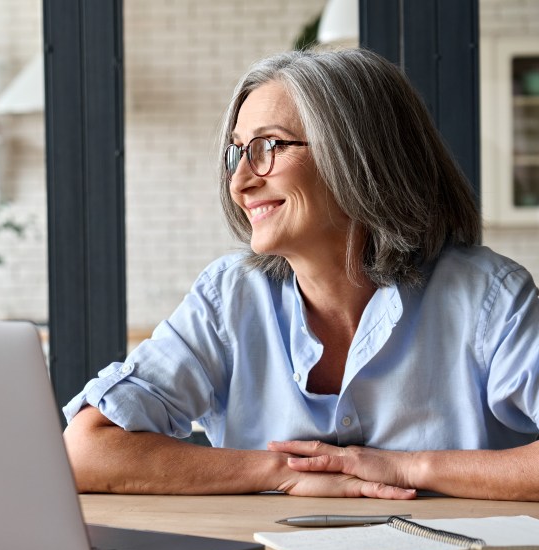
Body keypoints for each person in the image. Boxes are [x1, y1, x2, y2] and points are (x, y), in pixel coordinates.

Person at [62, 48, 539, 501]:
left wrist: (408, 467)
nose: (240, 181)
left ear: (360, 155)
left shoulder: (488, 298)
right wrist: (282, 474)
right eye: (237, 152)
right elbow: (85, 449)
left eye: (269, 146)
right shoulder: (230, 297)